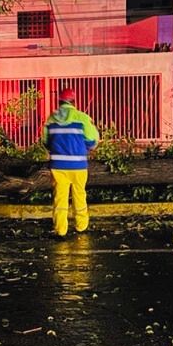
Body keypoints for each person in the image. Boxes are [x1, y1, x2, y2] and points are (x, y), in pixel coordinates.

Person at [43, 88, 99, 237]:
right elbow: (92, 141)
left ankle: (61, 230)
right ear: (74, 101)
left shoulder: (51, 119)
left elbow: (46, 142)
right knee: (79, 195)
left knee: (60, 198)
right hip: (79, 166)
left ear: (59, 102)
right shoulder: (82, 118)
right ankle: (81, 227)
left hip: (58, 166)